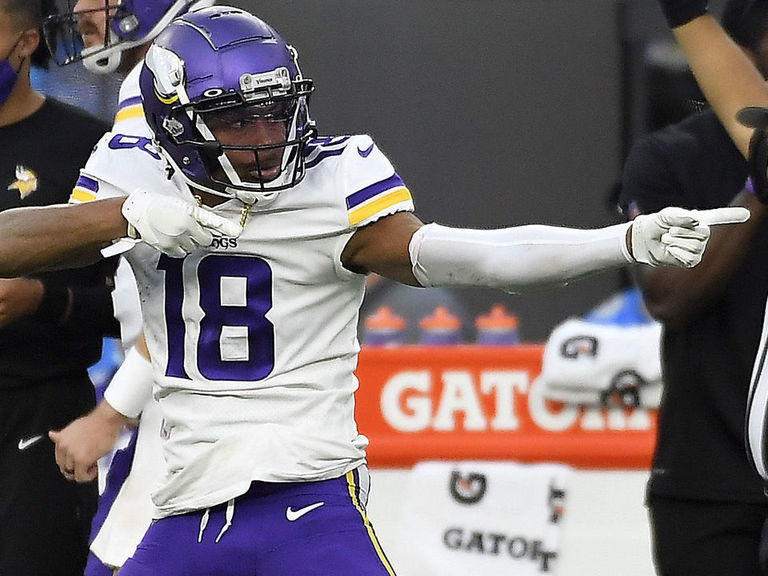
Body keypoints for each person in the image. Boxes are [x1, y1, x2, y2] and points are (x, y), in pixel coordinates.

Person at [0, 6, 748, 574]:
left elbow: (466, 256)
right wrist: (124, 213)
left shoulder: (334, 176)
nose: (265, 135)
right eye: (234, 119)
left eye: (275, 108)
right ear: (171, 123)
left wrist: (617, 241)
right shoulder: (135, 167)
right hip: (183, 497)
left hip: (309, 498)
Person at [42, 1, 213, 574]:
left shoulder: (163, 77)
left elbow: (195, 297)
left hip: (192, 419)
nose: (80, 10)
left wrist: (109, 415)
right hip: (201, 404)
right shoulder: (204, 53)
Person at [618, 2, 768, 573]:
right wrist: (758, 188)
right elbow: (667, 295)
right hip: (707, 477)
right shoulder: (670, 156)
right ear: (744, 48)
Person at [0, 1, 118, 575]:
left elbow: (144, 308)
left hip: (42, 422)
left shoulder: (90, 148)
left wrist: (42, 298)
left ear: (25, 44)